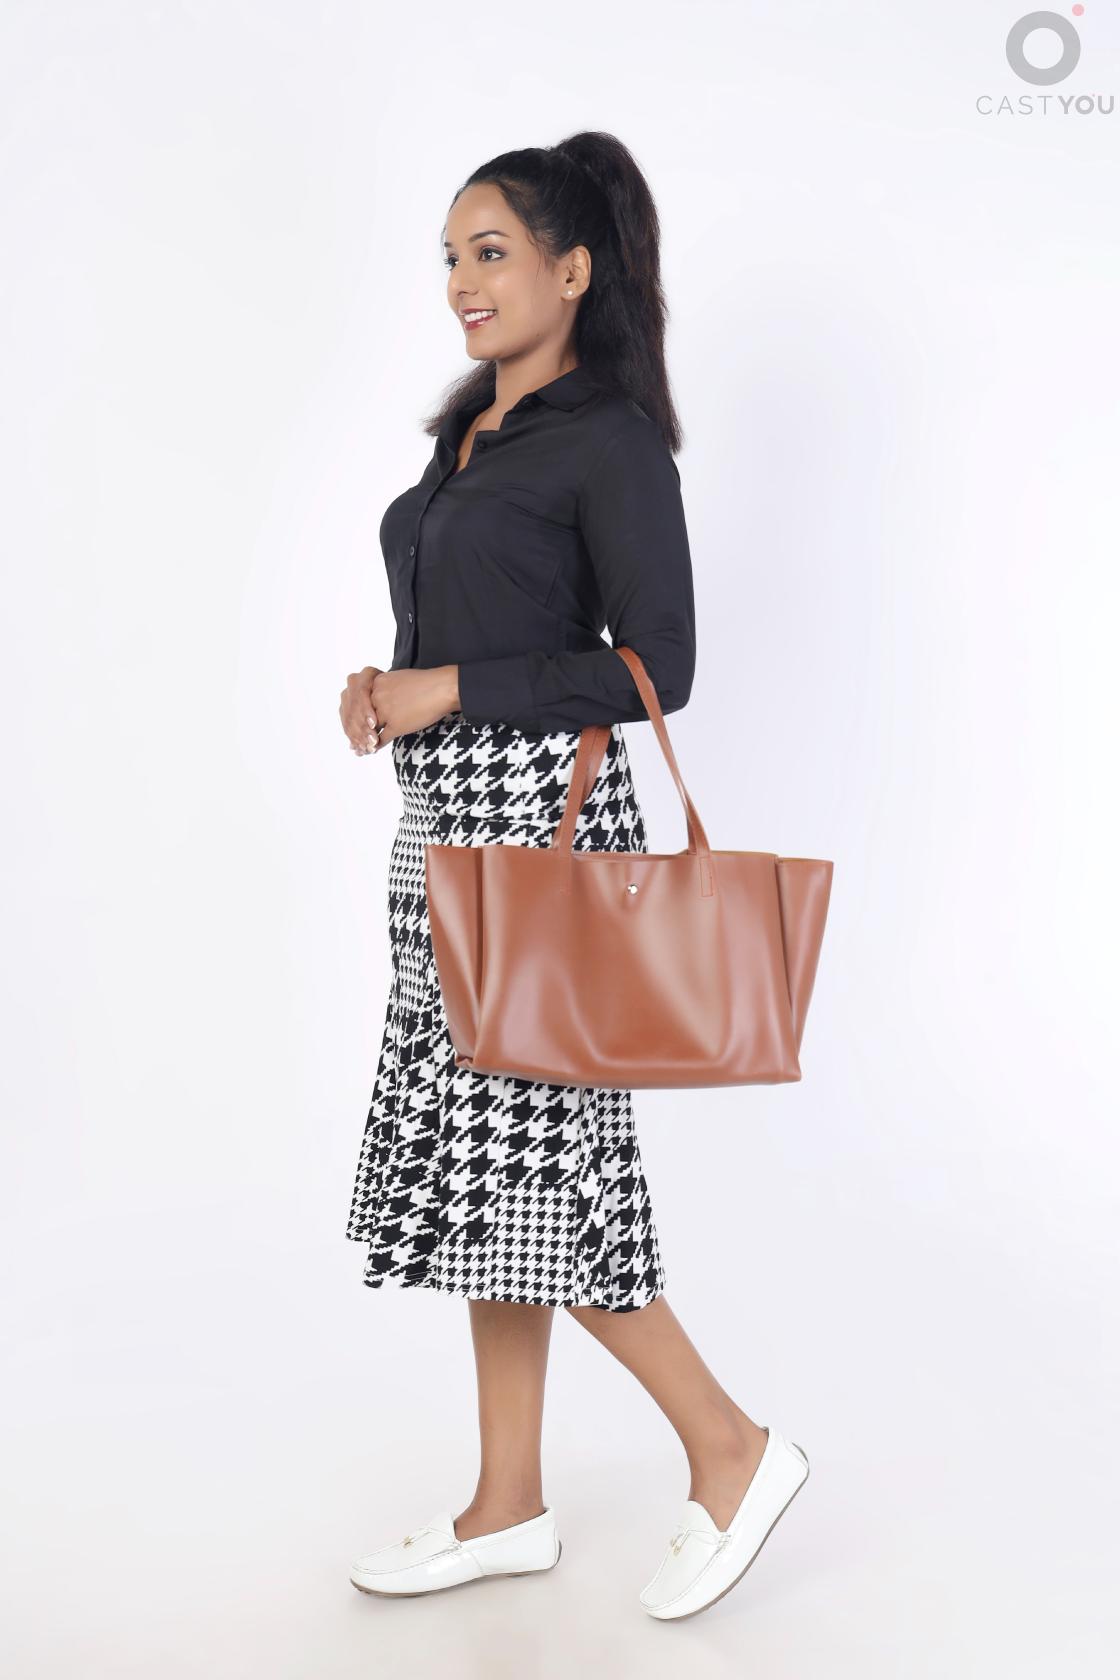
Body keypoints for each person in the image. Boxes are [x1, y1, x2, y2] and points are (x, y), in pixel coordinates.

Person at [337, 131, 809, 1622]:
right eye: (451, 258)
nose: (463, 282)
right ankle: (507, 1502)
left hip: (541, 830)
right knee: (484, 1174)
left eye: (491, 253)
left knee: (541, 1170)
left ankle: (732, 1450)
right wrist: (392, 687)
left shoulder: (608, 439)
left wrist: (456, 686)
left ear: (573, 270)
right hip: (441, 830)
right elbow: (473, 626)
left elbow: (659, 665)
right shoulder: (470, 433)